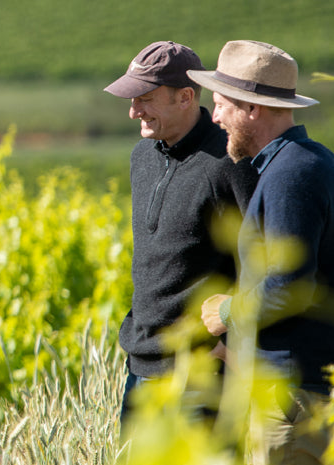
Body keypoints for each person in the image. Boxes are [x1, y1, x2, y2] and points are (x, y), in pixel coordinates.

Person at [191, 40, 334, 465]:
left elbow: (288, 288)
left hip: (295, 402)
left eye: (222, 105)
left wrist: (228, 312)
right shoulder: (314, 163)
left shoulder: (291, 175)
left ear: (251, 107)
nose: (214, 117)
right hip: (313, 390)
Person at [103, 41, 258, 426]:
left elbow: (261, 258)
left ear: (186, 97)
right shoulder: (141, 156)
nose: (133, 110)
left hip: (203, 371)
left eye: (146, 98)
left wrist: (228, 346)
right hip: (142, 366)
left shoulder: (231, 162)